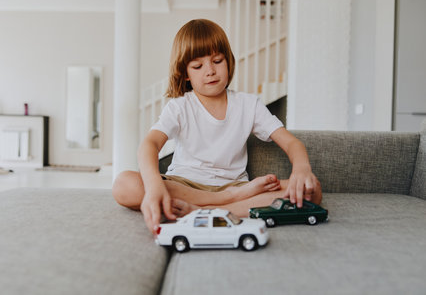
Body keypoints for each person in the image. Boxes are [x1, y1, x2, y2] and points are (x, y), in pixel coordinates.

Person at [112, 19, 322, 234]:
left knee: (311, 192)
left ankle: (208, 209)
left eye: (217, 61)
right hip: (185, 185)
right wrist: (154, 186)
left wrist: (301, 170)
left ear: (228, 62)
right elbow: (149, 144)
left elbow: (291, 143)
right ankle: (223, 202)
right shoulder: (179, 107)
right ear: (185, 73)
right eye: (198, 66)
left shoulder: (249, 104)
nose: (210, 71)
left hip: (237, 186)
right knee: (124, 184)